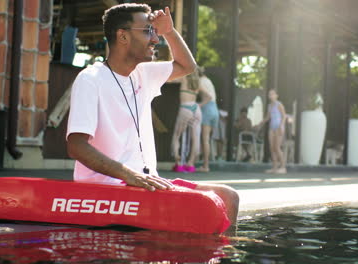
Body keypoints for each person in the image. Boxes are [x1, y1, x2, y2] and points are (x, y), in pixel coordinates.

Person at [66, 3, 238, 226]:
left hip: (146, 182)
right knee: (204, 208)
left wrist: (169, 31)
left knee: (229, 197)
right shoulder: (90, 79)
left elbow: (187, 66)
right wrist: (128, 174)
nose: (156, 39)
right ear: (123, 36)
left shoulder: (143, 73)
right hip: (109, 186)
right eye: (148, 31)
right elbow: (76, 145)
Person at [170, 70, 201, 173]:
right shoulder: (197, 82)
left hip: (185, 108)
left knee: (177, 136)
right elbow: (208, 96)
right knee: (195, 138)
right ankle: (191, 164)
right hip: (196, 108)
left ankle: (178, 164)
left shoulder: (183, 78)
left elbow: (169, 80)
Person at [258, 89, 287, 174]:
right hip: (272, 127)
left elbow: (284, 116)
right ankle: (274, 167)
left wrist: (281, 126)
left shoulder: (279, 104)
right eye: (269, 94)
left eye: (272, 94)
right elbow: (267, 117)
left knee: (277, 147)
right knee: (272, 148)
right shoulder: (270, 106)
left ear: (276, 95)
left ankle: (283, 167)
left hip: (278, 127)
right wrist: (260, 124)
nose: (271, 96)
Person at [197, 67, 219, 172]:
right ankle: (205, 164)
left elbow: (209, 97)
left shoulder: (200, 81)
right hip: (215, 109)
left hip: (207, 108)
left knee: (204, 139)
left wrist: (199, 105)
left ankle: (205, 166)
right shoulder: (208, 80)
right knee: (207, 140)